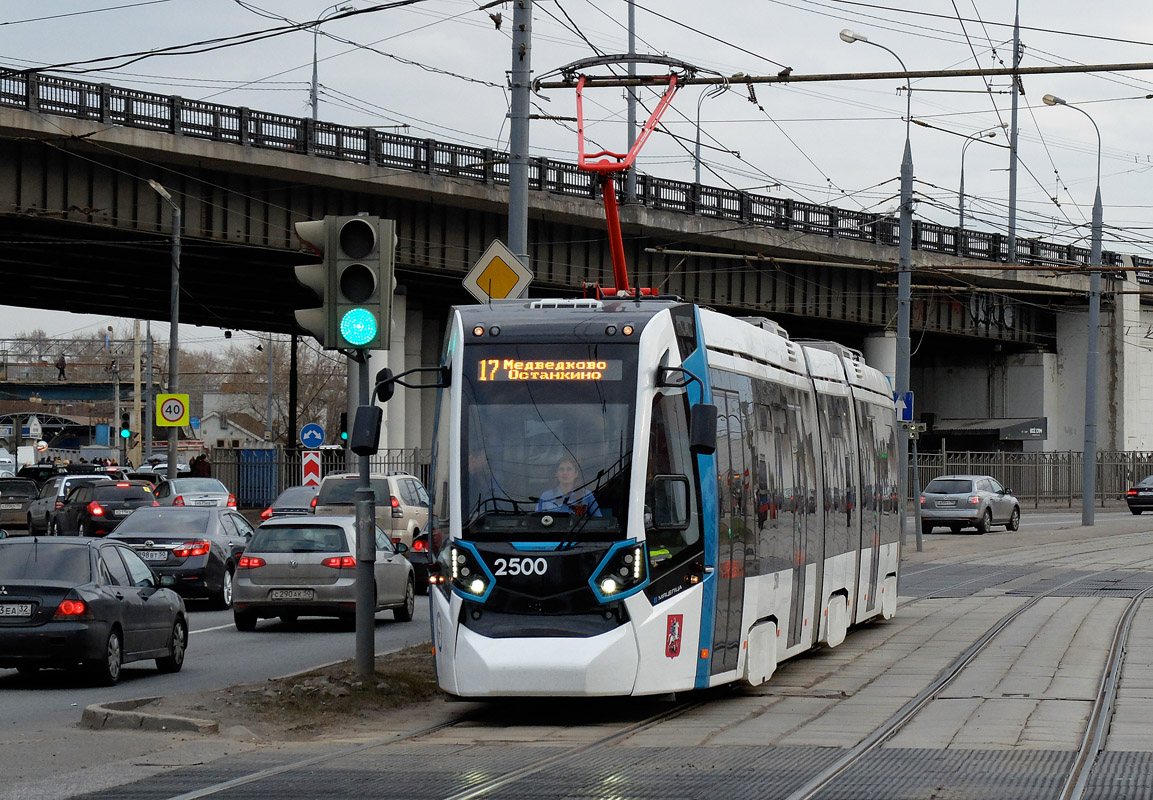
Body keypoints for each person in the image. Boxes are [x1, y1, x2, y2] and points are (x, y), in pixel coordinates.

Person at [536, 458, 600, 517]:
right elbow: (537, 520)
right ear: (556, 474)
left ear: (576, 474)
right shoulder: (546, 496)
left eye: (569, 469)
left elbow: (598, 520)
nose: (565, 472)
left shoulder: (587, 495)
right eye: (561, 469)